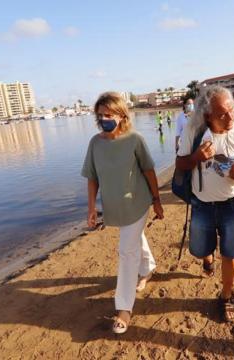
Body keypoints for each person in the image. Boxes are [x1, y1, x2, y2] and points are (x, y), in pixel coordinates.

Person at [81, 92, 164, 334]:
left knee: (126, 252)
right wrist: (91, 208)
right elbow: (92, 177)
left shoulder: (135, 139)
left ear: (121, 115)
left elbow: (148, 171)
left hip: (137, 204)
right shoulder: (95, 143)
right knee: (133, 238)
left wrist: (157, 201)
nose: (104, 119)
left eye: (109, 114)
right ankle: (148, 267)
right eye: (100, 115)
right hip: (114, 208)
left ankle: (124, 308)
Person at [176, 85, 234, 322]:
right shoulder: (193, 131)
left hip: (232, 205)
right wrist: (196, 157)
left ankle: (226, 295)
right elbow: (180, 164)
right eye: (222, 113)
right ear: (207, 116)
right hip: (202, 205)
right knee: (201, 249)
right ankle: (207, 258)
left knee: (231, 253)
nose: (230, 116)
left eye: (232, 110)